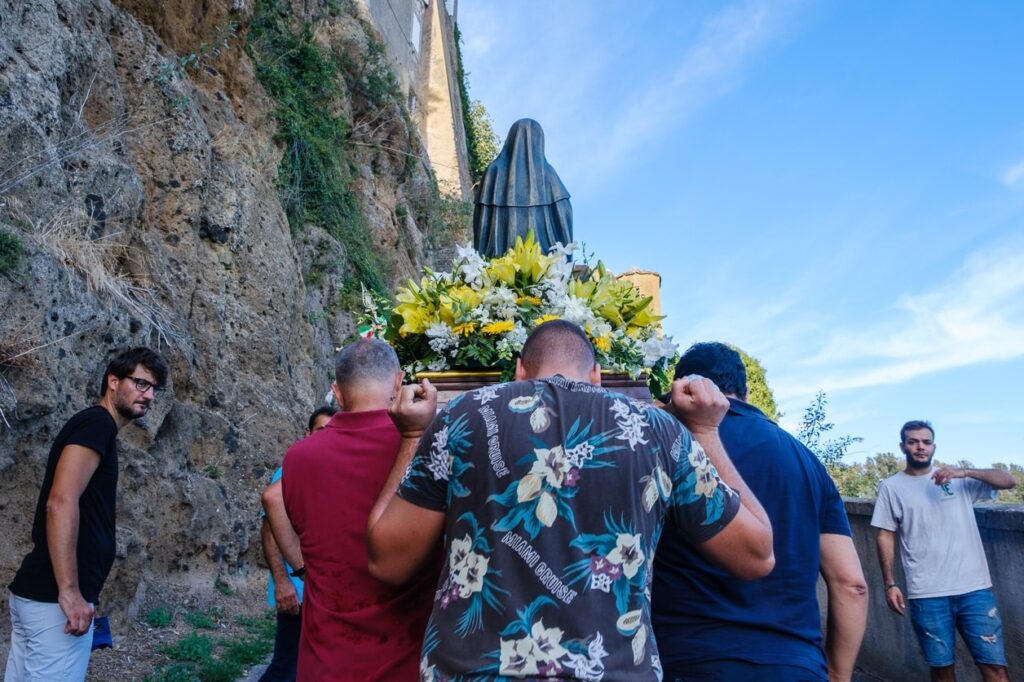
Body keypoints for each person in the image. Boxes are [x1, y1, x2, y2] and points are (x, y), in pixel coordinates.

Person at [366, 320, 774, 680]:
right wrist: (705, 431)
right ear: (596, 375)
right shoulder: (658, 431)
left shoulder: (465, 416)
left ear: (519, 370)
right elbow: (756, 555)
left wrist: (410, 437)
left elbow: (388, 561)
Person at [651, 342, 868, 682]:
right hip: (795, 665)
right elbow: (851, 584)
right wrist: (839, 675)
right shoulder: (807, 461)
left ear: (681, 390)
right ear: (747, 391)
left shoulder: (663, 445)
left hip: (688, 660)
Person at [262, 339, 437, 681]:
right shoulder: (422, 446)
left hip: (324, 658)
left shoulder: (300, 457)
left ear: (337, 393)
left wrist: (301, 570)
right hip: (405, 656)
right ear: (398, 381)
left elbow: (273, 499)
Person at [5, 347, 169, 681]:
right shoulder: (97, 424)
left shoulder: (95, 426)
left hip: (39, 598)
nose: (149, 395)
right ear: (113, 381)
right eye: (140, 383)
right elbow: (61, 502)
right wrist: (69, 592)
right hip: (54, 604)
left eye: (154, 388)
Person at [871, 420, 1016, 682]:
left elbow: (1009, 481)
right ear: (903, 446)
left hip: (974, 589)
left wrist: (964, 472)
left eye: (926, 442)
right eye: (913, 442)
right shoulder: (891, 487)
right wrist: (890, 584)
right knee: (941, 670)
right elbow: (884, 533)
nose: (920, 447)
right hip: (927, 593)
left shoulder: (956, 480)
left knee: (995, 668)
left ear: (934, 446)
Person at [259, 406, 337, 682]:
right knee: (285, 668)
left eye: (332, 431)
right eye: (320, 430)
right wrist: (282, 582)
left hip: (326, 592)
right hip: (299, 590)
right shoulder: (290, 470)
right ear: (308, 434)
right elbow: (268, 530)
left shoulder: (335, 472)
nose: (326, 437)